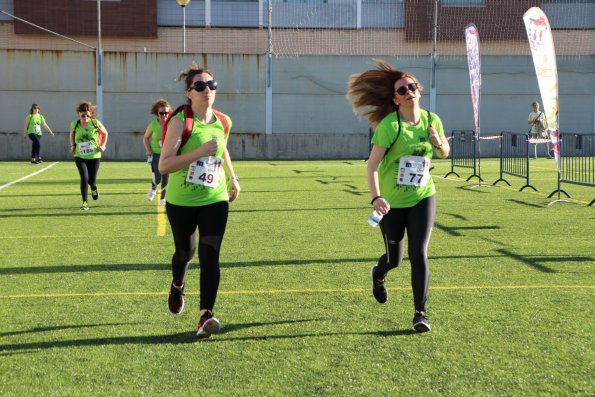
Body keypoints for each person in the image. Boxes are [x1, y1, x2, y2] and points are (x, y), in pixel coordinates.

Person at [346, 60, 450, 333]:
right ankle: (378, 274)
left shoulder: (432, 120)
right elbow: (371, 165)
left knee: (419, 253)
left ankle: (420, 313)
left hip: (423, 196)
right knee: (395, 259)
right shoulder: (390, 126)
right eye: (402, 90)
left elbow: (444, 152)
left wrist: (438, 142)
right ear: (395, 98)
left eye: (412, 87)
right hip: (392, 203)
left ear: (420, 90)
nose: (409, 92)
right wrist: (376, 198)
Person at [159, 63, 240, 339]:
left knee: (210, 255)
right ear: (189, 93)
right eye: (201, 86)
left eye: (212, 86)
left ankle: (206, 315)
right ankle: (178, 284)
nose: (208, 90)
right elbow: (164, 165)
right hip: (181, 202)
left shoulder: (223, 121)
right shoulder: (181, 122)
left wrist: (233, 177)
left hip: (214, 198)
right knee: (185, 253)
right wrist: (200, 151)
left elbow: (222, 148)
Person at [69, 101, 109, 211]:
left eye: (87, 115)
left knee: (92, 180)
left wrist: (103, 145)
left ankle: (94, 188)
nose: (85, 117)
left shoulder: (95, 123)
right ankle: (85, 202)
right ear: (79, 114)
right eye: (83, 115)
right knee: (84, 178)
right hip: (80, 156)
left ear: (91, 114)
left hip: (95, 156)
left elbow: (105, 133)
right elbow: (71, 135)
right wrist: (72, 145)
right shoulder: (75, 124)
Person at [143, 99, 171, 206]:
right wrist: (148, 150)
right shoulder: (153, 125)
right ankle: (153, 188)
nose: (164, 115)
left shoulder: (172, 123)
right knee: (158, 177)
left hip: (168, 154)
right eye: (162, 113)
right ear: (157, 113)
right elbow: (145, 138)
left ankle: (163, 198)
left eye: (166, 113)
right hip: (156, 154)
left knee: (166, 176)